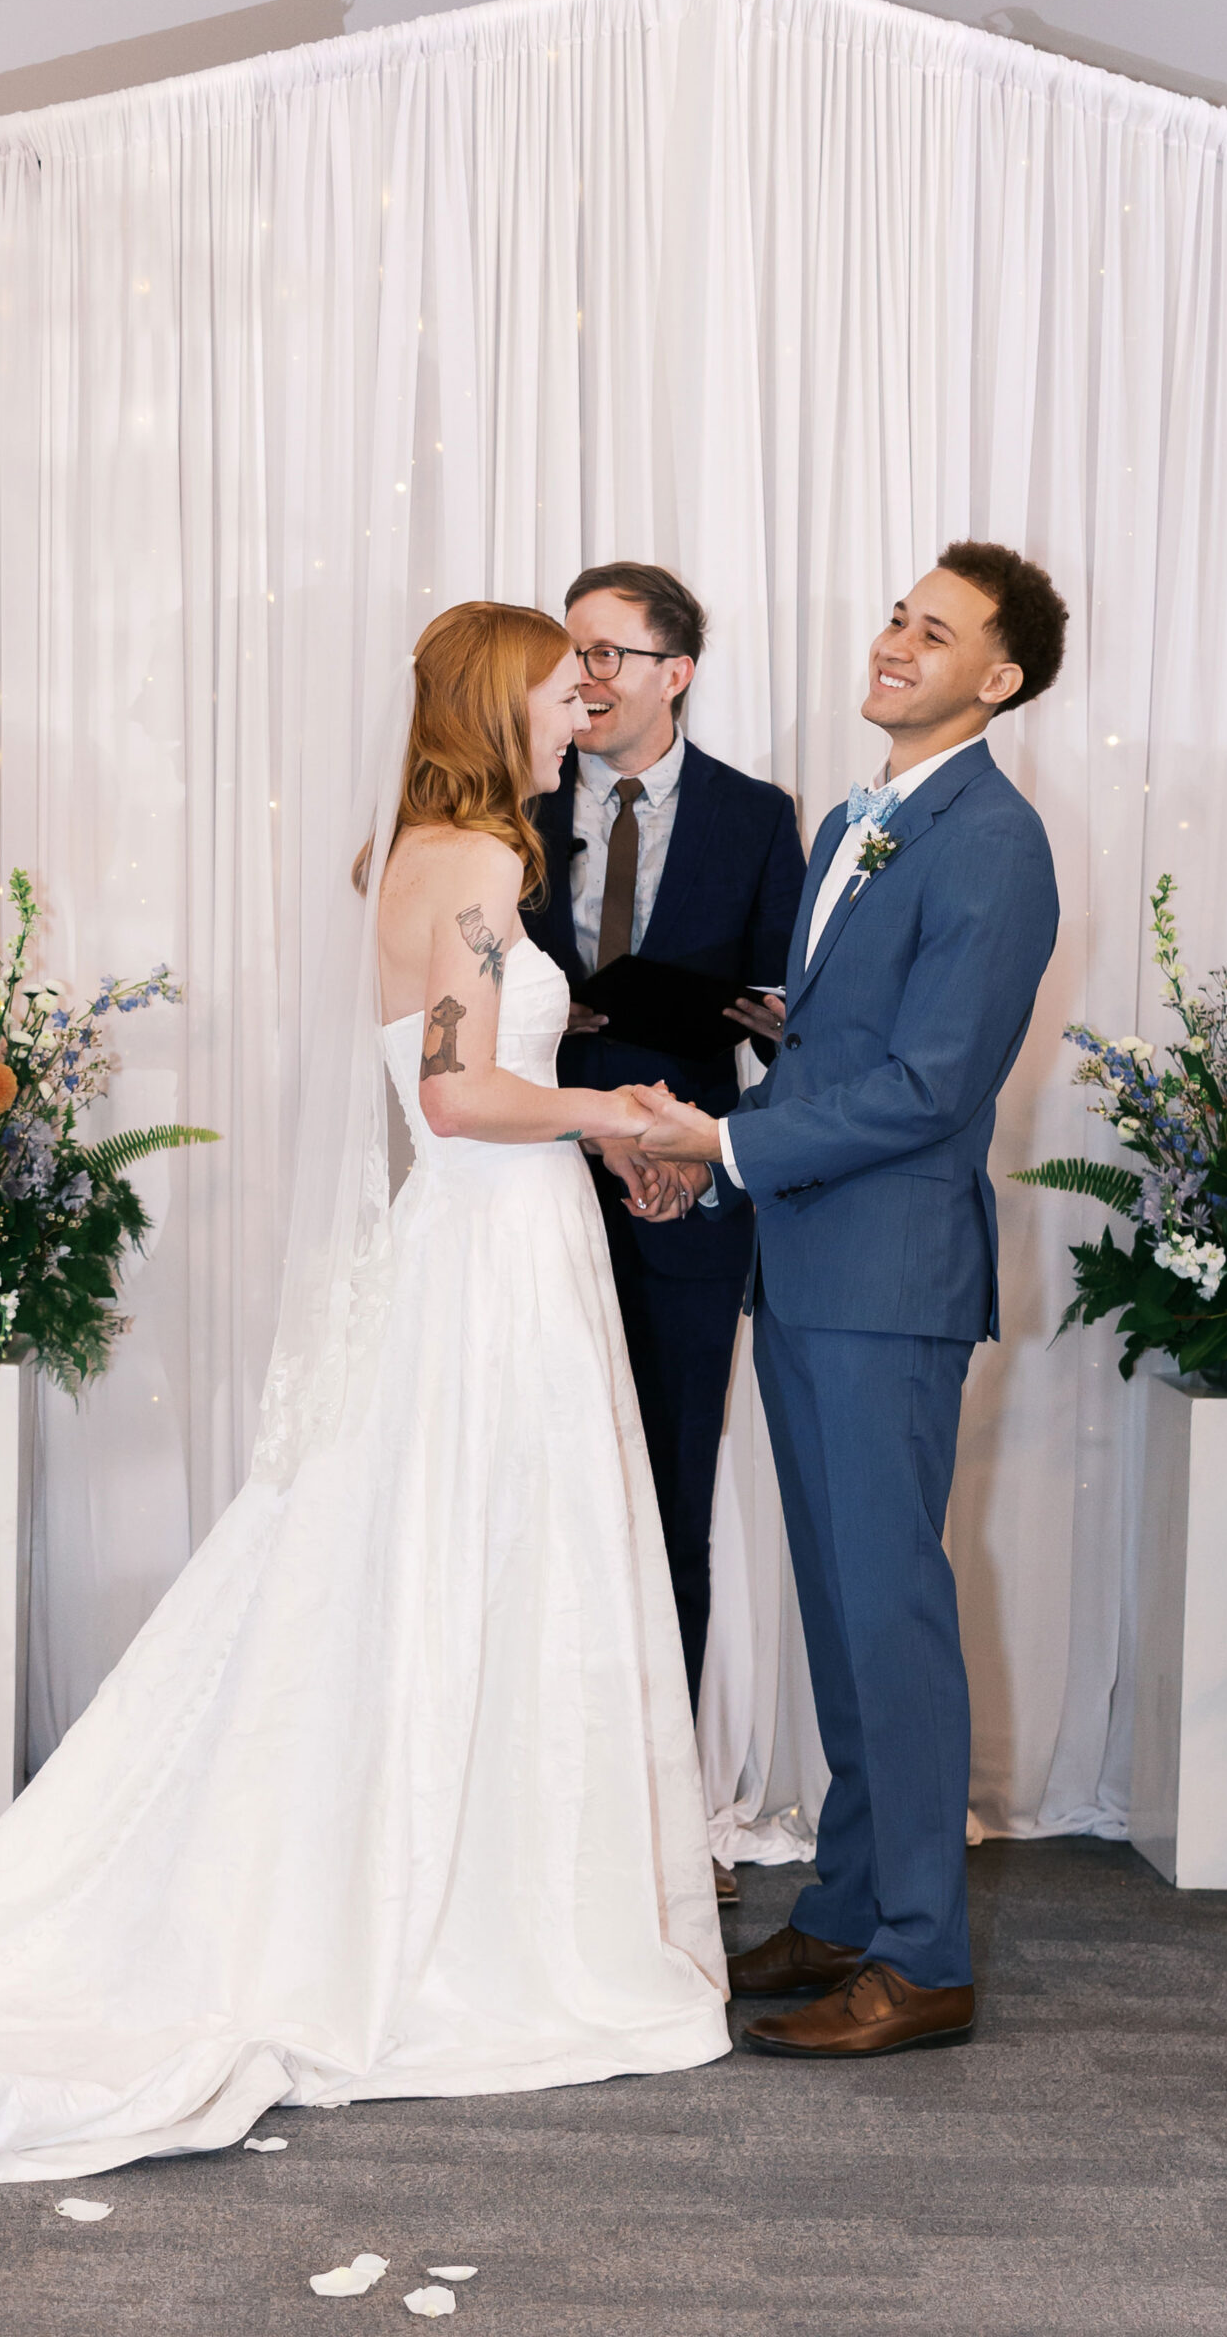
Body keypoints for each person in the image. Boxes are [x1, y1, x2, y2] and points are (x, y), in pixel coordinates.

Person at [0, 601, 729, 2183]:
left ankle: (461, 1852)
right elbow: (452, 1096)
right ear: (489, 697)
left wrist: (591, 1117)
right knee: (482, 1540)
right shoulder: (478, 863)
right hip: (487, 1248)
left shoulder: (422, 852)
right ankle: (476, 1893)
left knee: (452, 1548)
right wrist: (612, 1107)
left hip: (495, 1243)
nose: (575, 695)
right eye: (551, 677)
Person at [631, 543, 1065, 2059]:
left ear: (995, 680)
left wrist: (726, 1140)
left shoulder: (990, 840)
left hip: (887, 1280)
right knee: (835, 1607)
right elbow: (860, 1035)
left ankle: (923, 1958)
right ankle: (851, 1900)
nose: (892, 640)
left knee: (890, 1612)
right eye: (895, 612)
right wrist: (777, 1031)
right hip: (806, 1264)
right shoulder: (851, 820)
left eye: (932, 631)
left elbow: (937, 1084)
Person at [524, 563, 805, 1720]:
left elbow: (794, 1010)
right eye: (572, 653)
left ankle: (668, 1806)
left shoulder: (755, 814)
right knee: (534, 1486)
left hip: (684, 1190)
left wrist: (778, 1028)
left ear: (674, 673)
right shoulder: (518, 804)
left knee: (668, 1492)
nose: (582, 676)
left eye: (606, 653)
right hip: (528, 1177)